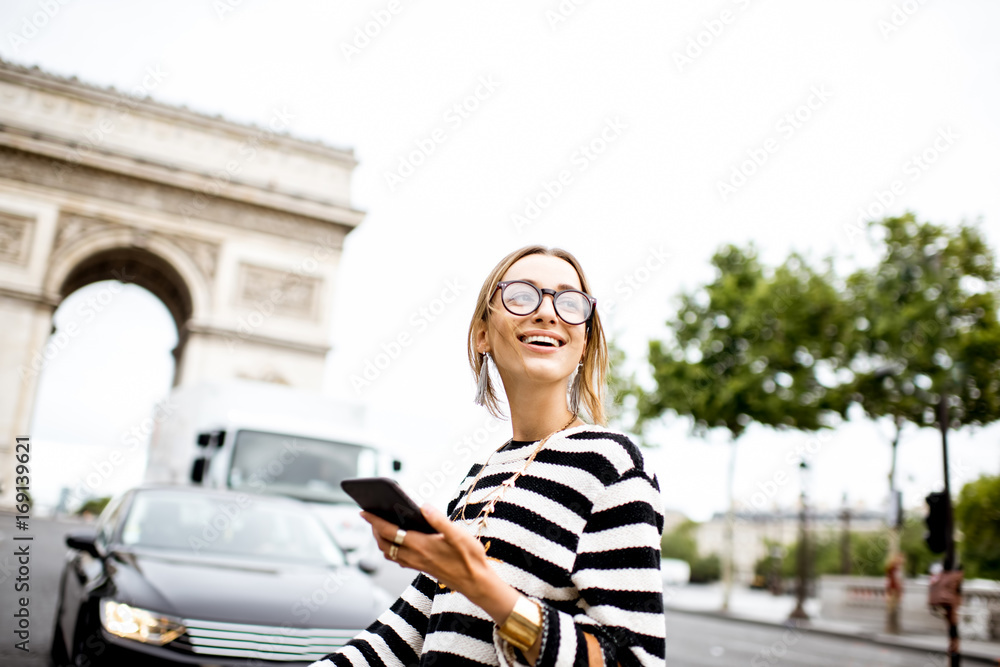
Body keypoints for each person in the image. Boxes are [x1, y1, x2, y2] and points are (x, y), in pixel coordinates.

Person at [312, 246, 666, 667]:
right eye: (522, 295)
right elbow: (404, 635)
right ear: (482, 334)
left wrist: (482, 587)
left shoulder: (612, 467)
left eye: (570, 303)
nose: (548, 312)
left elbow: (633, 661)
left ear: (585, 341)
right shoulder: (480, 477)